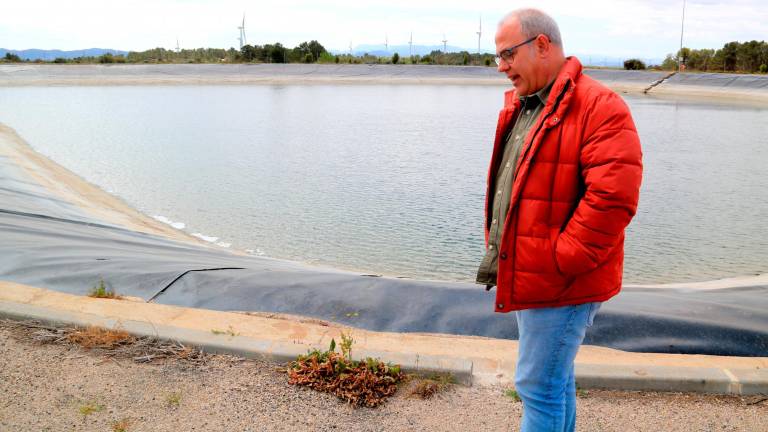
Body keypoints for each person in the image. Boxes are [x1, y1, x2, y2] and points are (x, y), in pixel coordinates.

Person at [476, 8, 643, 432]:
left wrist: (559, 258)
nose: (502, 67)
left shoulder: (600, 107)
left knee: (536, 386)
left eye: (507, 54)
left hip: (559, 280)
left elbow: (613, 199)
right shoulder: (528, 104)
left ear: (542, 46)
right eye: (497, 57)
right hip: (533, 272)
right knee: (553, 381)